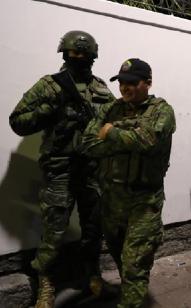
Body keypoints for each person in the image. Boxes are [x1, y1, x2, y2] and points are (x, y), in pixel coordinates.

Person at [9, 30, 114, 308]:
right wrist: (49, 110)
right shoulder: (50, 85)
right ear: (64, 54)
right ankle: (45, 284)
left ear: (92, 56)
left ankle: (92, 275)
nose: (76, 58)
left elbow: (116, 122)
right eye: (72, 53)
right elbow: (17, 121)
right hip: (60, 170)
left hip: (92, 170)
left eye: (82, 54)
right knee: (54, 232)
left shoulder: (102, 88)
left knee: (94, 228)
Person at [81, 58, 176, 307]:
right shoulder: (110, 109)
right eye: (122, 82)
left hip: (144, 201)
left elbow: (147, 141)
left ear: (148, 83)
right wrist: (125, 136)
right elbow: (88, 144)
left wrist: (111, 133)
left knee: (135, 263)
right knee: (119, 256)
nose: (125, 87)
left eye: (132, 83)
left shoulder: (161, 111)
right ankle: (133, 295)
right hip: (112, 197)